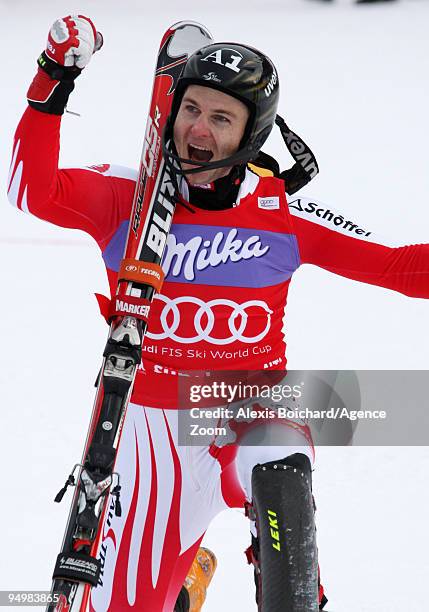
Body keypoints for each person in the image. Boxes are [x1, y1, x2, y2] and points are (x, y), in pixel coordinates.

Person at [7, 14, 429, 612]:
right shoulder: (124, 197)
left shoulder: (279, 214)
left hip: (250, 406)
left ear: (251, 134)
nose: (198, 129)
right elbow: (32, 189)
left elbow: (397, 268)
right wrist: (53, 80)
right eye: (191, 109)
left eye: (221, 117)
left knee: (281, 484)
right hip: (151, 427)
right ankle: (183, 581)